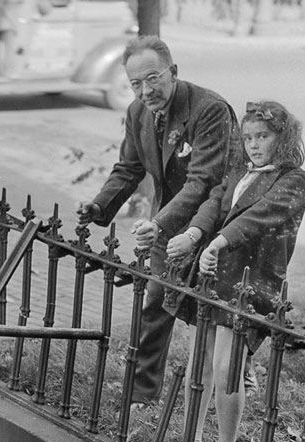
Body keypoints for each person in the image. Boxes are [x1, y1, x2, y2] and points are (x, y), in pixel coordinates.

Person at [76, 35, 241, 407]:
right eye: (136, 83)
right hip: (167, 224)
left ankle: (234, 380)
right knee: (154, 303)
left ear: (174, 72)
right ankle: (142, 395)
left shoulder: (209, 109)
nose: (145, 90)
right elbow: (129, 167)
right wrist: (100, 207)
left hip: (214, 224)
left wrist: (161, 223)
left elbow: (204, 182)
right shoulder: (137, 113)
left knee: (216, 316)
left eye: (153, 78)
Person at [165, 100, 305, 442]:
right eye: (247, 138)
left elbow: (259, 215)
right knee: (201, 362)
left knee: (229, 371)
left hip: (251, 282)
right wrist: (195, 234)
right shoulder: (240, 172)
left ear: (283, 137)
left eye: (262, 136)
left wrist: (219, 242)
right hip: (215, 276)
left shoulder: (293, 179)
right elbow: (214, 203)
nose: (254, 145)